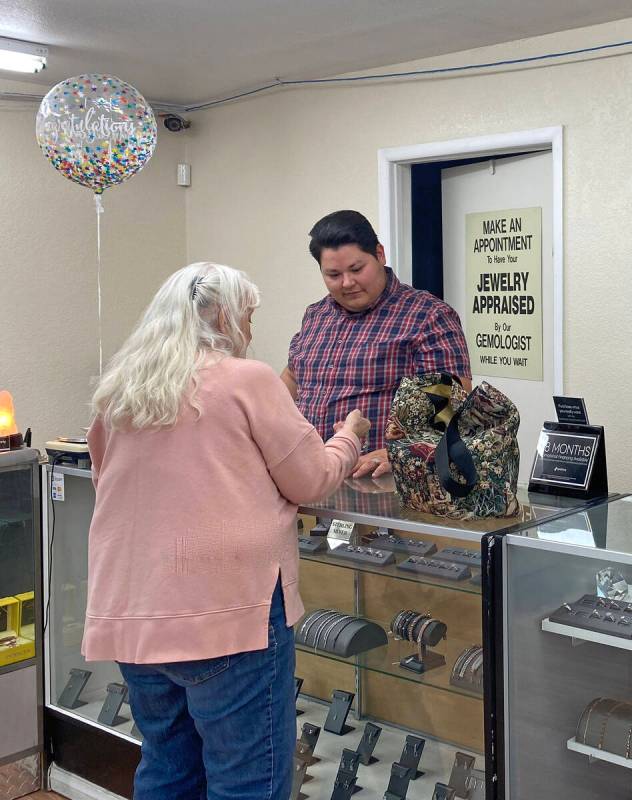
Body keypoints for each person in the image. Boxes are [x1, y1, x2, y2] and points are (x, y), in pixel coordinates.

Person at [82, 262, 369, 800]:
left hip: (135, 614)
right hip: (231, 616)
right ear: (218, 314)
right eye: (248, 315)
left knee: (167, 769)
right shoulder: (248, 379)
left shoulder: (119, 390)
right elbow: (311, 481)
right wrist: (348, 435)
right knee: (247, 784)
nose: (251, 330)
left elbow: (110, 485)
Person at [281, 210, 471, 479]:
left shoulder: (427, 316)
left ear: (380, 254)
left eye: (357, 269)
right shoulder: (316, 315)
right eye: (333, 275)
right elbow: (292, 376)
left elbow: (450, 404)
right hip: (314, 479)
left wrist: (400, 451)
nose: (347, 283)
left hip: (383, 483)